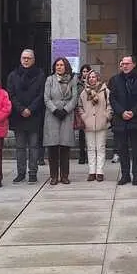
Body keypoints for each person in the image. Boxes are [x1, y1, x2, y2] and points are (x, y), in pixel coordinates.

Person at [108, 55, 137, 185]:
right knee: (122, 149)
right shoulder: (115, 80)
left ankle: (136, 175)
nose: (125, 66)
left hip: (136, 119)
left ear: (133, 64)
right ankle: (125, 175)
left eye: (127, 63)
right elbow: (112, 99)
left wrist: (133, 112)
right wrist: (122, 112)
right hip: (120, 120)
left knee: (136, 150)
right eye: (123, 63)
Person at [6, 49, 45, 184]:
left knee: (34, 146)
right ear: (20, 59)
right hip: (18, 116)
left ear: (33, 60)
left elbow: (41, 95)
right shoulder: (13, 75)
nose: (26, 60)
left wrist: (30, 109)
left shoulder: (40, 75)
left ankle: (33, 172)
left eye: (29, 58)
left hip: (34, 115)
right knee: (20, 147)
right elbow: (11, 95)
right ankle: (21, 172)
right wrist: (21, 109)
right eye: (24, 58)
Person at [44, 57, 80, 185]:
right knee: (52, 147)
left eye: (61, 65)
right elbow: (46, 98)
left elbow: (75, 98)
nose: (59, 67)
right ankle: (53, 176)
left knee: (65, 147)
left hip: (66, 115)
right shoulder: (50, 79)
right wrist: (55, 110)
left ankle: (65, 175)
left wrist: (65, 110)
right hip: (52, 116)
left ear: (66, 67)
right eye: (57, 65)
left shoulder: (72, 80)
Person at [78, 68, 112, 181]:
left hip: (101, 122)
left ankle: (100, 171)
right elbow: (80, 107)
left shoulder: (105, 91)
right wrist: (84, 117)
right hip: (88, 124)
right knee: (91, 148)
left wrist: (107, 116)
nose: (92, 79)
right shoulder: (84, 92)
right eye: (90, 77)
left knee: (101, 148)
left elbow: (109, 105)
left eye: (94, 76)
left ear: (98, 78)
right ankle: (92, 171)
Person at [77, 64, 92, 165]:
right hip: (81, 111)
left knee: (90, 135)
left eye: (87, 71)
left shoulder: (93, 82)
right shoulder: (77, 84)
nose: (85, 73)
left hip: (91, 111)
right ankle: (82, 155)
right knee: (82, 135)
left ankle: (89, 155)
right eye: (84, 71)